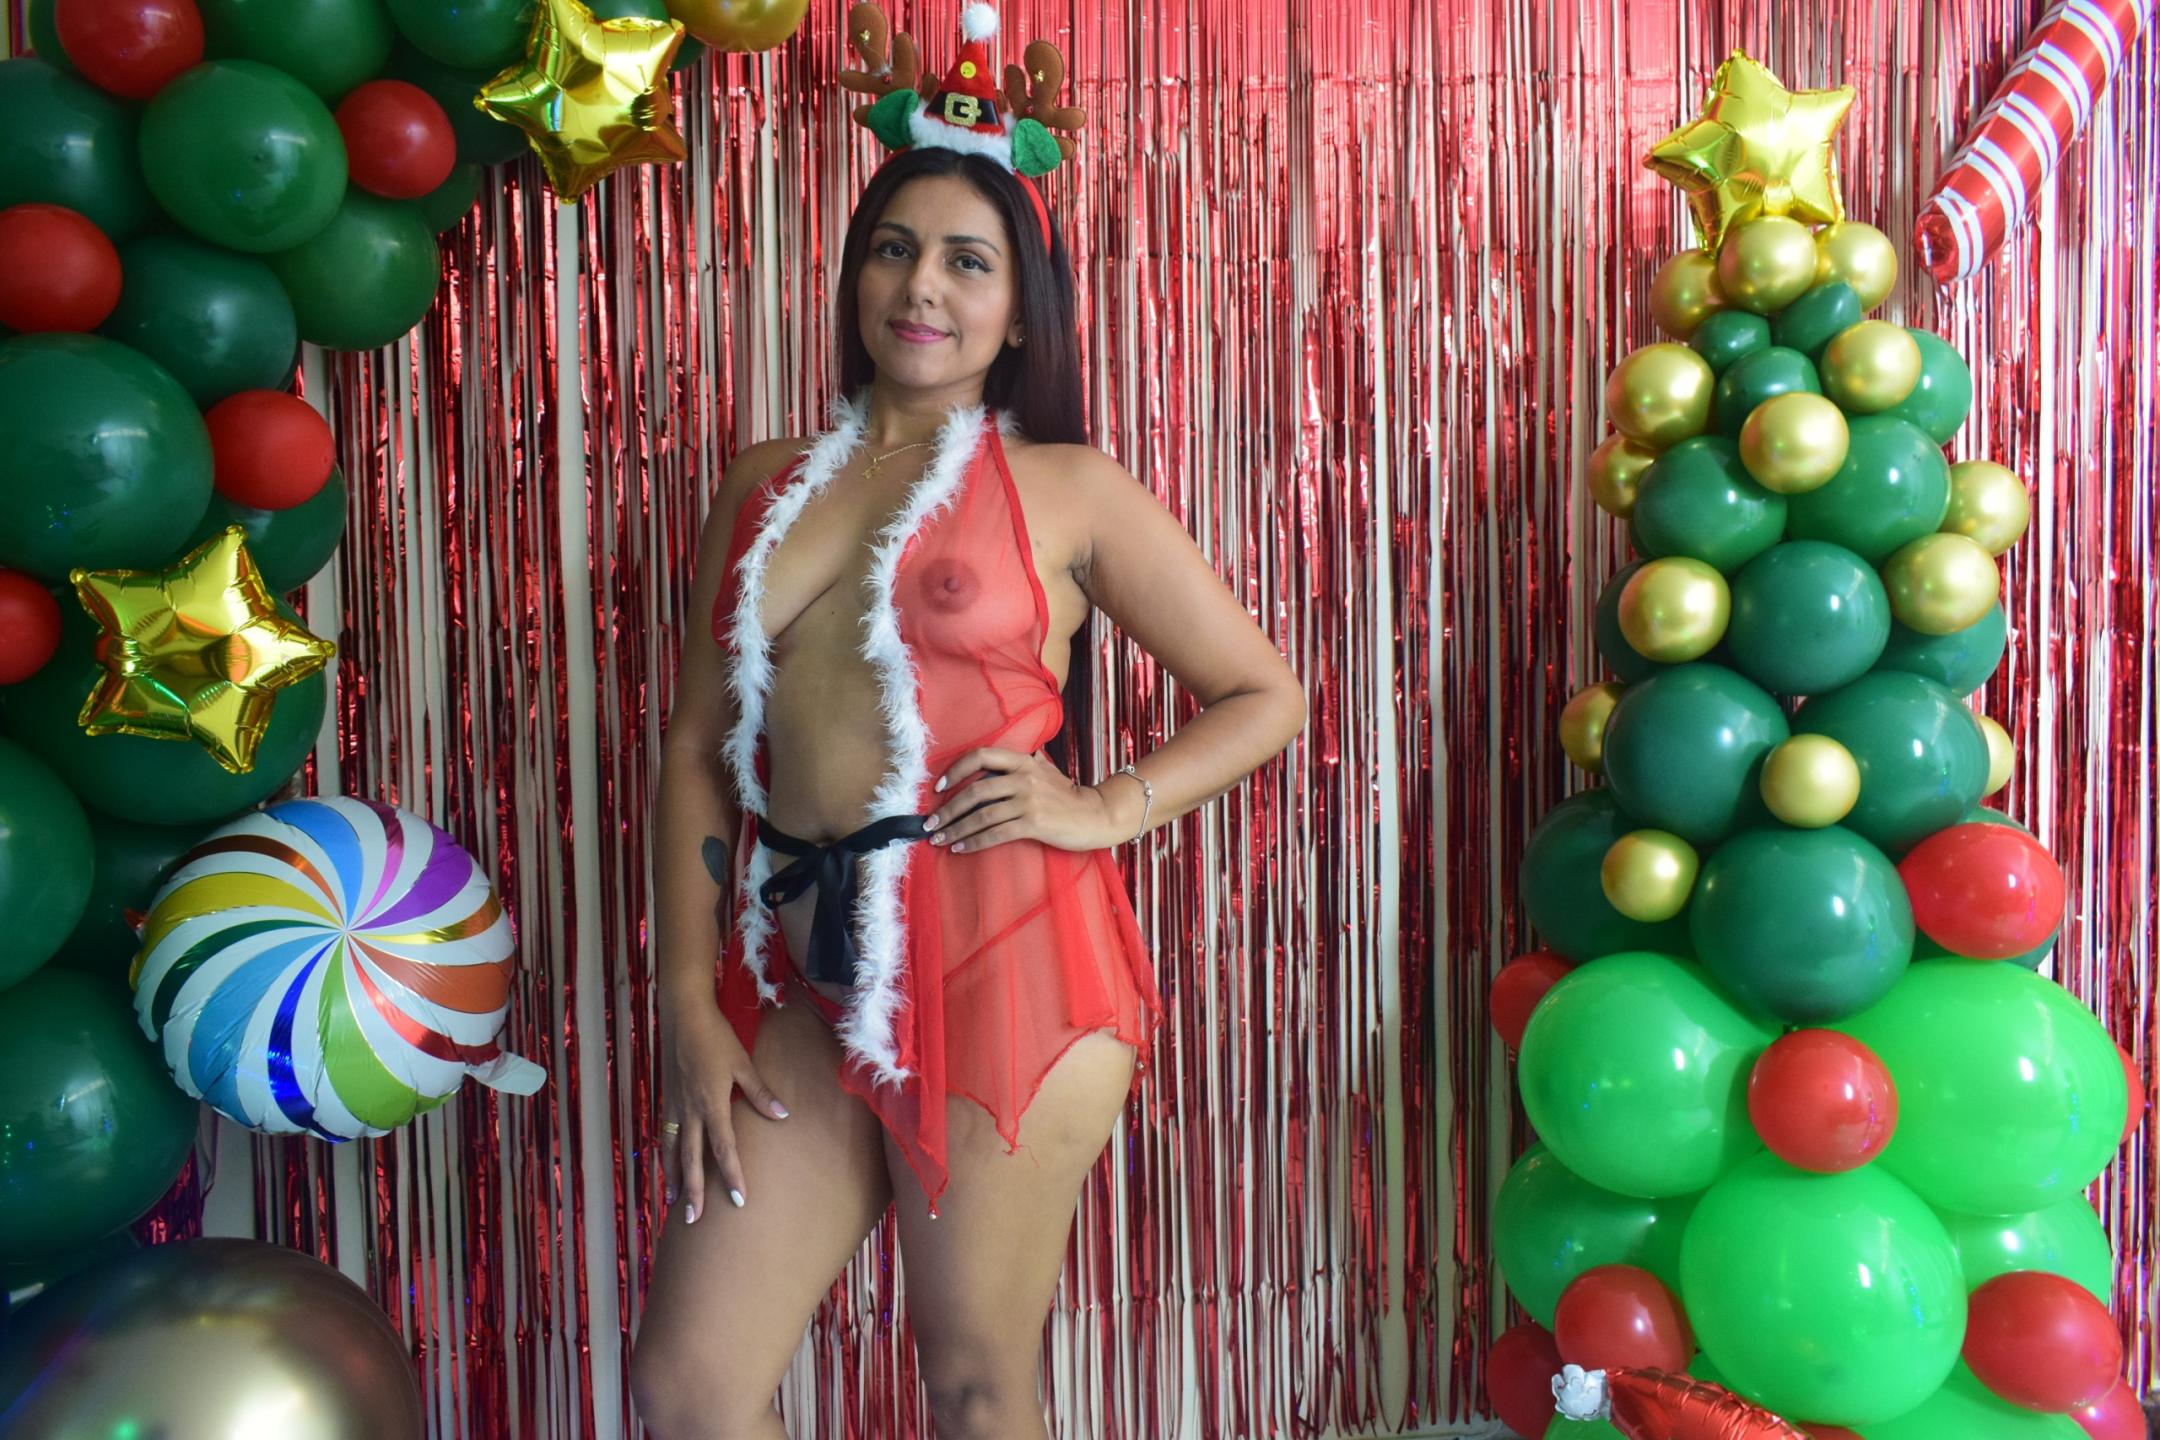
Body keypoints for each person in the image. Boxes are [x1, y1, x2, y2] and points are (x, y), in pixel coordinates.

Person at [629, 6, 1306, 1436]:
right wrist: (690, 1001)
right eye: (893, 249)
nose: (921, 286)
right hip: (800, 959)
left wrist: (1104, 805)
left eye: (966, 260)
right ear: (854, 275)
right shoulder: (762, 483)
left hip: (1008, 953)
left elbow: (1267, 695)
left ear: (1019, 306)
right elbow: (696, 749)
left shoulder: (1071, 487)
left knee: (977, 1384)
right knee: (690, 1389)